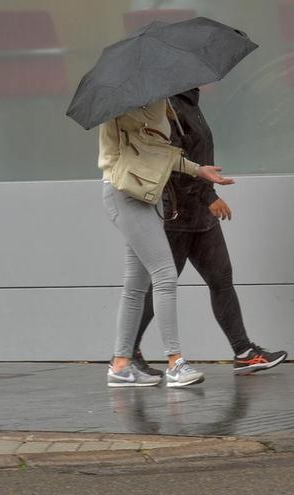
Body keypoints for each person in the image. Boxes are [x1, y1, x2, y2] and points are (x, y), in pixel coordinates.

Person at [128, 88, 288, 376]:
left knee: (221, 279)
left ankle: (244, 352)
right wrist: (208, 197)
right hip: (177, 214)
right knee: (161, 286)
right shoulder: (169, 108)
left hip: (200, 215)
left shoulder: (190, 103)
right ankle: (127, 353)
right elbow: (173, 165)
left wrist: (205, 198)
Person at [100, 98, 234, 388]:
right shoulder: (119, 108)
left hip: (147, 194)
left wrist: (199, 170)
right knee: (165, 274)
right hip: (125, 194)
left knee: (135, 285)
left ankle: (121, 366)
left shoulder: (158, 104)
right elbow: (147, 151)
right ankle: (175, 362)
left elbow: (161, 155)